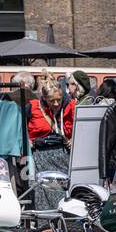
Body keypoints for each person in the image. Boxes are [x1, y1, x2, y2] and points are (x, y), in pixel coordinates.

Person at [27, 77, 74, 208]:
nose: (56, 103)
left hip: (64, 157)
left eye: (59, 99)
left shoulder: (71, 106)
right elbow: (19, 127)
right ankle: (45, 221)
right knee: (42, 194)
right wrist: (27, 140)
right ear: (44, 98)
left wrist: (74, 140)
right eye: (51, 100)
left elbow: (82, 129)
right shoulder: (32, 107)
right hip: (39, 157)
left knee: (63, 195)